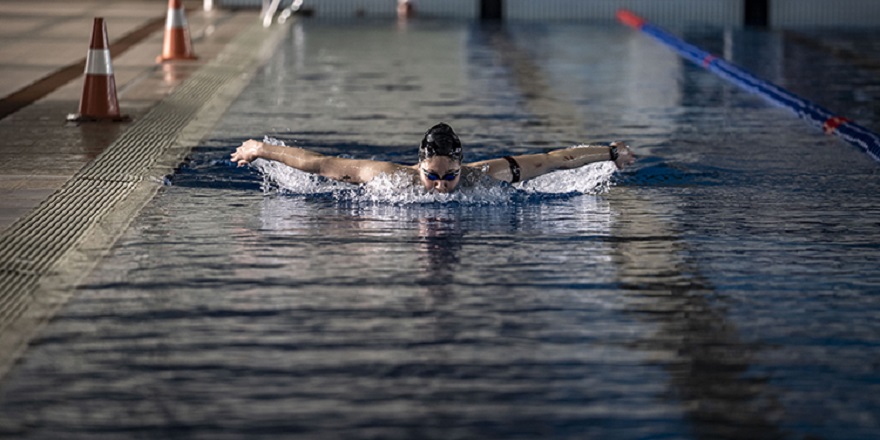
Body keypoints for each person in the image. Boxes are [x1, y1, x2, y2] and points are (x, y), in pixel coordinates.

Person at [230, 122, 635, 194]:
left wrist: (610, 152)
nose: (440, 187)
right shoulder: (389, 178)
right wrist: (261, 149)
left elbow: (554, 159)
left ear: (463, 167)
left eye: (449, 178)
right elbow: (318, 163)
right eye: (433, 177)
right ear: (418, 165)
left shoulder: (484, 177)